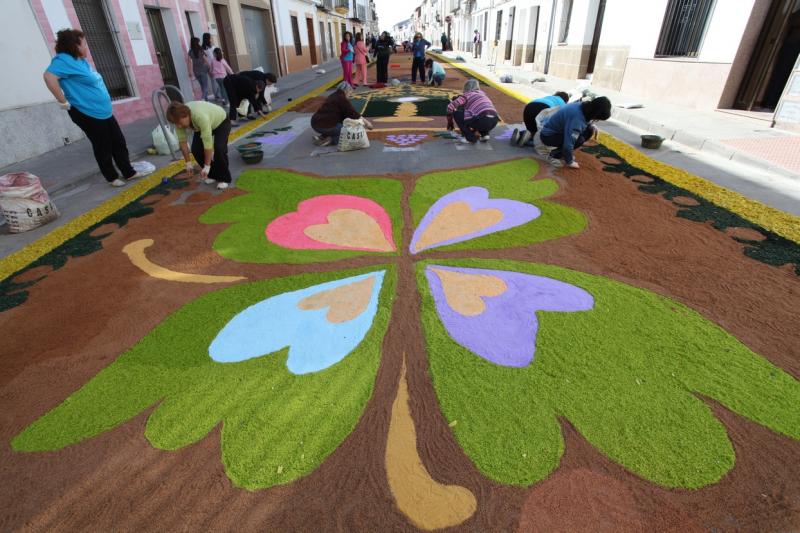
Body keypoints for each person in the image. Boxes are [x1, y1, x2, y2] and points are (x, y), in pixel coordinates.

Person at [43, 29, 144, 187]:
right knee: (103, 145)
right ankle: (111, 177)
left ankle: (128, 172)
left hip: (103, 111)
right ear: (74, 45)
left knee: (118, 141)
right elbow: (49, 77)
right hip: (86, 112)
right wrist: (63, 102)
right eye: (84, 44)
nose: (86, 47)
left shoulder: (81, 61)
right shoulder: (63, 60)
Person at [167, 101, 231, 189]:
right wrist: (188, 163)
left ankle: (224, 178)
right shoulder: (178, 121)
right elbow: (183, 142)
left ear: (186, 116)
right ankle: (213, 175)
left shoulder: (200, 117)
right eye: (176, 124)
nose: (179, 126)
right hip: (203, 125)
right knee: (196, 149)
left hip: (221, 121)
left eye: (179, 123)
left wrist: (207, 166)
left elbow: (208, 145)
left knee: (219, 148)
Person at [539, 96, 611, 168]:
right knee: (579, 140)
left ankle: (561, 153)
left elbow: (583, 120)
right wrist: (570, 162)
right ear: (595, 113)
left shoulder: (583, 106)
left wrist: (591, 125)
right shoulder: (577, 119)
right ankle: (554, 155)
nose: (596, 120)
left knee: (589, 131)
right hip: (548, 136)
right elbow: (569, 143)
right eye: (597, 118)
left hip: (558, 131)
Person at [310, 81, 373, 147]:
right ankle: (329, 141)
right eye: (350, 92)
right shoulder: (342, 99)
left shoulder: (333, 95)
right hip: (322, 125)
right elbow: (353, 114)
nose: (350, 94)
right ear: (346, 90)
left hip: (315, 122)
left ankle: (322, 137)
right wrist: (367, 123)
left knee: (335, 124)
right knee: (346, 131)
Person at [446, 79, 499, 144]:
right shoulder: (483, 94)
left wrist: (450, 121)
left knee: (457, 114)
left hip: (481, 120)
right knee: (480, 115)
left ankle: (470, 138)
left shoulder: (467, 95)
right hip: (494, 121)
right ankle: (485, 135)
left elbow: (450, 106)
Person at [188, 37, 211, 101]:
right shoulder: (200, 50)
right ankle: (203, 99)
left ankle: (206, 100)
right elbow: (205, 59)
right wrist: (210, 66)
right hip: (203, 70)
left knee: (202, 86)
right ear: (196, 42)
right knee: (205, 86)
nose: (199, 43)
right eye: (198, 42)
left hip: (196, 71)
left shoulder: (190, 51)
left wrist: (190, 72)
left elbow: (189, 62)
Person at [202, 33, 222, 100]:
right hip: (213, 65)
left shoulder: (202, 48)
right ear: (208, 38)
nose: (211, 38)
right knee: (218, 80)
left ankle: (216, 95)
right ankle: (217, 95)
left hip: (206, 66)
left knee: (213, 81)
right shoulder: (211, 47)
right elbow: (213, 57)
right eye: (210, 37)